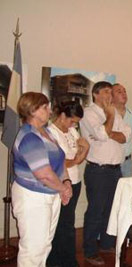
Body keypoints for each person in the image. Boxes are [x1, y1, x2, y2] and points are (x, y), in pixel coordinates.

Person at [11, 92, 72, 266]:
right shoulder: (29, 136)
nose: (50, 110)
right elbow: (43, 174)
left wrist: (66, 183)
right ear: (33, 110)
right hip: (32, 197)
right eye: (45, 107)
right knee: (32, 249)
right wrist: (63, 188)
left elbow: (59, 161)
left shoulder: (45, 132)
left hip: (50, 194)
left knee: (44, 246)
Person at [80, 81, 131, 265]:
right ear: (95, 94)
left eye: (111, 91)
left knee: (111, 209)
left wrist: (109, 131)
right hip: (98, 171)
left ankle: (106, 243)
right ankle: (90, 250)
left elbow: (126, 135)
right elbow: (102, 135)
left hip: (115, 170)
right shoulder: (89, 113)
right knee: (96, 211)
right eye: (106, 91)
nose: (110, 95)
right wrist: (109, 120)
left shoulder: (114, 112)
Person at [47, 100, 89, 267]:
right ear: (63, 116)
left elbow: (81, 151)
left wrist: (81, 153)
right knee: (61, 225)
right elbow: (59, 162)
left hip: (75, 181)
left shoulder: (71, 130)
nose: (73, 125)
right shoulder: (51, 132)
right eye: (72, 121)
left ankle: (66, 259)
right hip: (60, 183)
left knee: (67, 223)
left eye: (76, 123)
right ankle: (60, 261)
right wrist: (78, 156)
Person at [112, 83, 132, 177]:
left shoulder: (131, 114)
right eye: (119, 92)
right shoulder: (106, 114)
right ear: (112, 96)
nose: (124, 94)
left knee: (126, 190)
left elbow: (131, 136)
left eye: (124, 91)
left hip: (127, 161)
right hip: (112, 162)